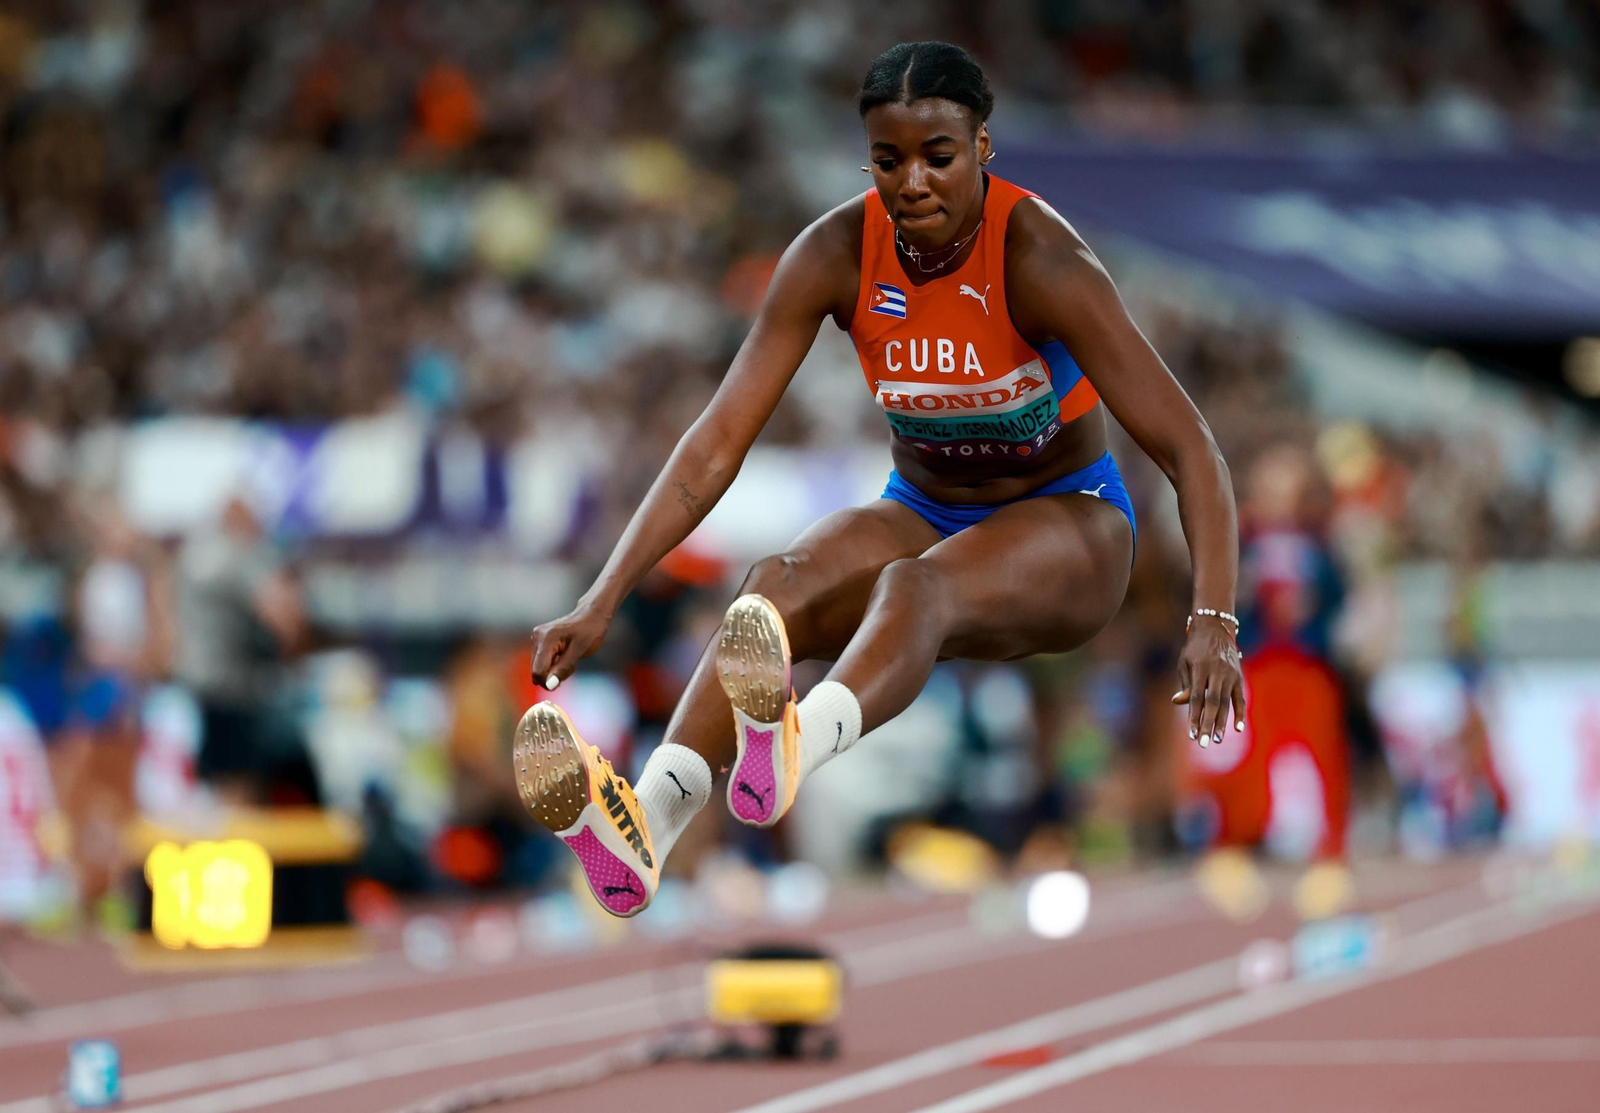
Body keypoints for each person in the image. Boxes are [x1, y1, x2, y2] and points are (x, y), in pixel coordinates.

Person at [515, 41, 1244, 917]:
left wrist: (1214, 616)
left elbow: (1189, 444)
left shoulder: (1041, 259)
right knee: (769, 594)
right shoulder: (834, 254)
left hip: (1071, 524)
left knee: (914, 587)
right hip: (925, 507)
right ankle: (650, 821)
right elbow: (713, 445)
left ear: (982, 149)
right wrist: (603, 597)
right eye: (889, 160)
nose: (913, 184)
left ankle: (792, 744)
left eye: (938, 157)